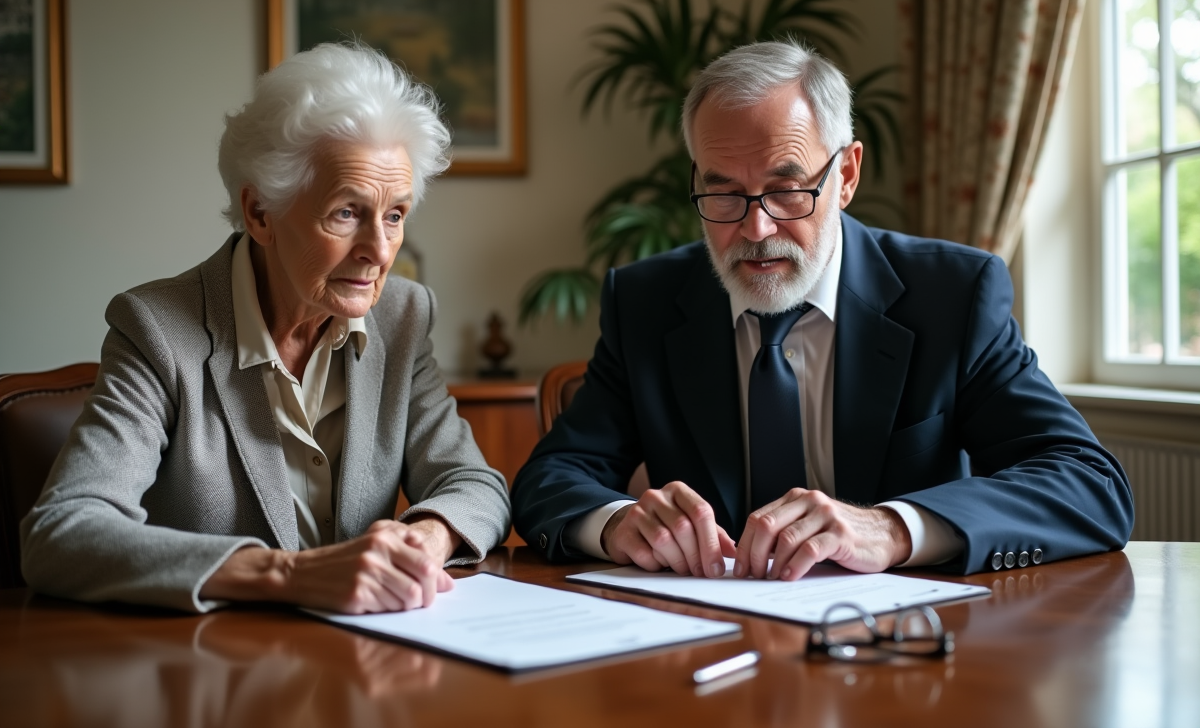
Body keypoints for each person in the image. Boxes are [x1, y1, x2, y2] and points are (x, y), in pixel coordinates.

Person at [511, 40, 1133, 581]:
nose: (756, 229)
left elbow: (1089, 483)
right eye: (723, 193)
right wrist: (617, 521)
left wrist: (893, 528)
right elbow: (550, 477)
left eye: (786, 190)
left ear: (847, 175)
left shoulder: (952, 295)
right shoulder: (645, 301)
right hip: (706, 637)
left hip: (907, 647)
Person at [21, 43, 511, 613]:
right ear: (259, 213)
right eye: (346, 212)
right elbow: (61, 532)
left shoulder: (402, 316)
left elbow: (476, 486)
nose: (380, 251)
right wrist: (288, 574)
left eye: (395, 215)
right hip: (214, 657)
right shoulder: (158, 330)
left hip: (368, 651)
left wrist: (425, 540)